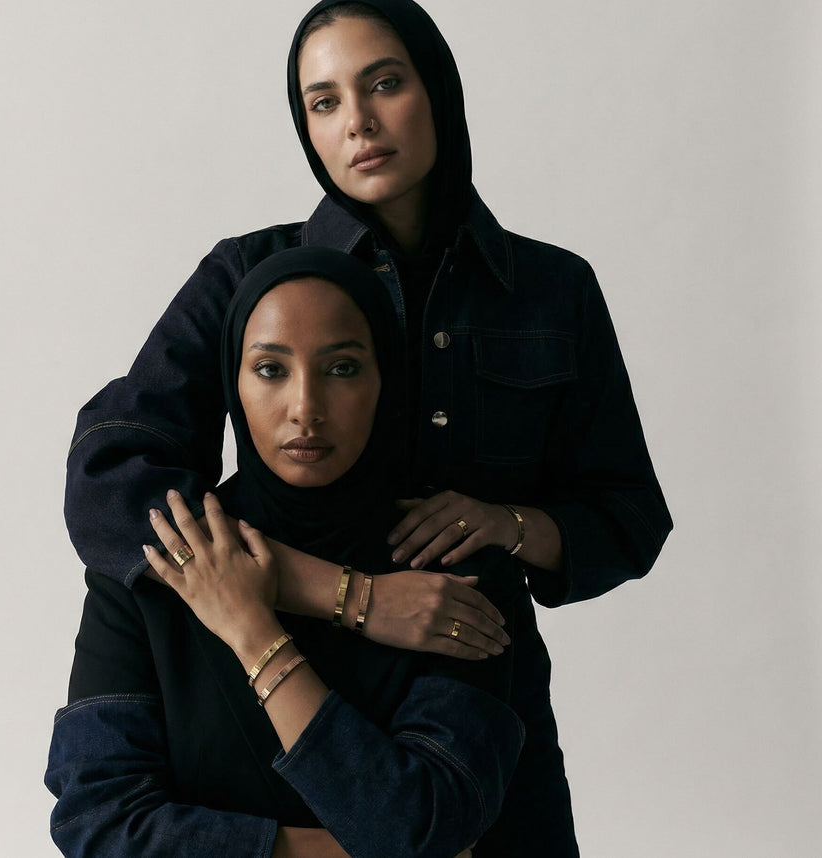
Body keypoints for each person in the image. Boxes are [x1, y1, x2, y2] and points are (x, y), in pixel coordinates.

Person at [62, 1, 673, 854]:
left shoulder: (552, 290)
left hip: (467, 690)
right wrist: (343, 595)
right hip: (258, 675)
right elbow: (110, 483)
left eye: (384, 83)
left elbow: (631, 518)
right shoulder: (252, 275)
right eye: (323, 102)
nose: (359, 123)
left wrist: (510, 526)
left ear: (439, 92)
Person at [46, 247, 527, 858]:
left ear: (389, 381)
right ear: (232, 384)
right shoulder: (155, 562)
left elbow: (422, 824)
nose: (306, 408)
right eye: (271, 370)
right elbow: (98, 823)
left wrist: (252, 632)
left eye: (343, 369)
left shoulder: (460, 571)